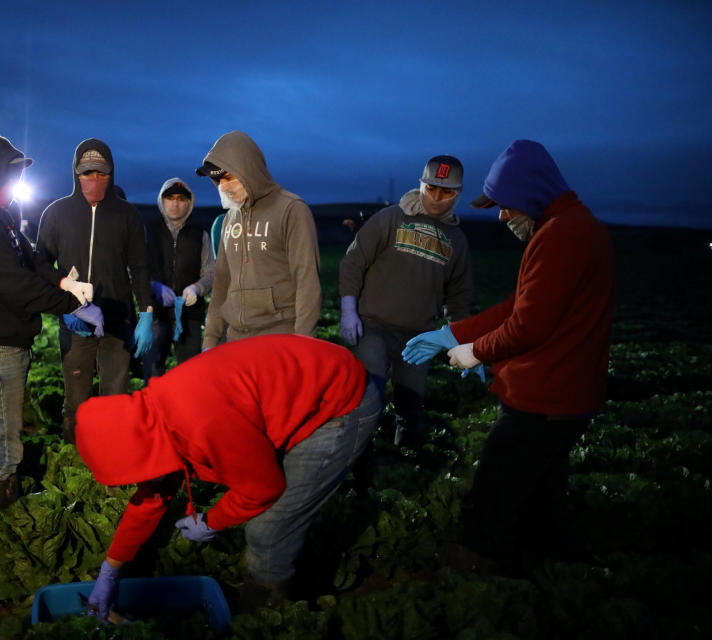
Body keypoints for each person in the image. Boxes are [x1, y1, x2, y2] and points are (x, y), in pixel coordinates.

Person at [402, 139, 615, 574]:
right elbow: (520, 305)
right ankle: (552, 567)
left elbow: (528, 326)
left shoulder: (561, 237)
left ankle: (479, 569)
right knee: (542, 494)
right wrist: (452, 332)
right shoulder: (571, 227)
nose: (501, 216)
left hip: (545, 395)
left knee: (493, 494)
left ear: (530, 194)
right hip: (568, 396)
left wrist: (473, 352)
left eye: (505, 206)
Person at [76, 335, 382, 619]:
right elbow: (150, 499)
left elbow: (264, 488)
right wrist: (110, 570)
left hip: (340, 404)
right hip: (304, 385)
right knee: (282, 511)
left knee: (268, 529)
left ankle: (269, 611)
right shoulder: (150, 419)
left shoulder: (203, 424)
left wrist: (211, 521)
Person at [0, 128, 96, 541]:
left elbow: (30, 259)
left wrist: (63, 283)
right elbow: (13, 283)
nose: (13, 182)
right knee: (4, 451)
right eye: (7, 173)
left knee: (0, 440)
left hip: (4, 346)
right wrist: (70, 304)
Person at [339, 155, 474, 447]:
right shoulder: (390, 218)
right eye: (431, 189)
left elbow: (459, 296)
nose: (437, 198)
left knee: (411, 407)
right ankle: (357, 463)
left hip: (418, 335)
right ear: (421, 185)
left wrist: (461, 340)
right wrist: (348, 309)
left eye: (446, 192)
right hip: (372, 327)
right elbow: (353, 261)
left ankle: (408, 465)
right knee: (366, 399)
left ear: (458, 194)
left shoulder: (457, 240)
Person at [36, 139, 155, 443]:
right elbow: (40, 266)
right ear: (75, 174)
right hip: (75, 323)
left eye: (101, 173)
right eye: (87, 173)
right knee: (76, 400)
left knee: (116, 397)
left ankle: (115, 459)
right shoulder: (56, 213)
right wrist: (65, 300)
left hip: (118, 322)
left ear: (111, 173)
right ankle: (75, 458)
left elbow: (140, 268)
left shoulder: (127, 215)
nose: (94, 179)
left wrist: (145, 315)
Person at [196, 131, 321, 349]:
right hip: (235, 340)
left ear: (248, 171)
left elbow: (307, 280)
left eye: (228, 177)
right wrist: (210, 340)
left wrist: (304, 345)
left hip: (281, 338)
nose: (222, 187)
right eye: (217, 180)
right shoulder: (229, 219)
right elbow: (222, 281)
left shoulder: (291, 209)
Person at [142, 178, 214, 381]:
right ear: (161, 201)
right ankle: (154, 413)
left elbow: (210, 273)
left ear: (189, 203)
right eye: (170, 198)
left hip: (189, 316)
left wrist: (197, 288)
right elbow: (135, 270)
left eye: (181, 199)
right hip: (155, 315)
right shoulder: (147, 232)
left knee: (191, 376)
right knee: (153, 376)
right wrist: (153, 287)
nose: (175, 203)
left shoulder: (201, 234)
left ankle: (187, 413)